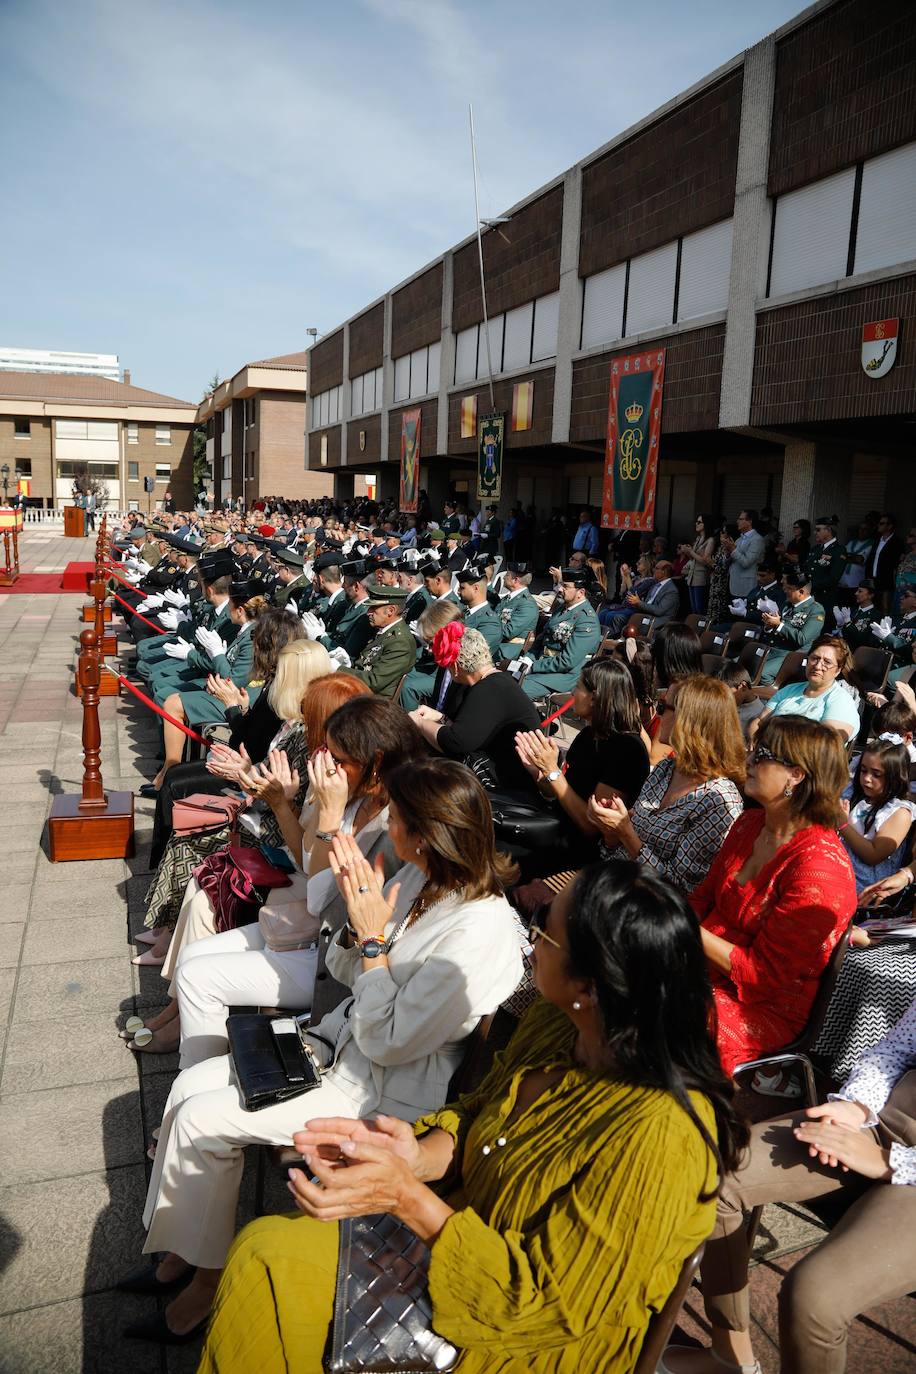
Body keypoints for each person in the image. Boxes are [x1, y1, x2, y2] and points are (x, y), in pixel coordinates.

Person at [197, 861, 750, 1374]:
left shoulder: (662, 1134)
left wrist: (408, 1200)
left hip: (521, 1341)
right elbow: (483, 1113)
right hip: (460, 1242)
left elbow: (544, 1307)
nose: (531, 936)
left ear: (591, 985)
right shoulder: (562, 1025)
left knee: (267, 1265)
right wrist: (415, 1154)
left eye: (543, 927)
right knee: (265, 1252)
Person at [120, 758, 525, 1343]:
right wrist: (360, 928)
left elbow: (389, 1038)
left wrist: (374, 941)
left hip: (382, 1095)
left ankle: (204, 1287)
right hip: (338, 1052)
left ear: (428, 832)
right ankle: (183, 1255)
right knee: (187, 1088)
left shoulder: (478, 931)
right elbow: (342, 964)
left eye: (399, 819)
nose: (390, 826)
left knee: (203, 1121)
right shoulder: (419, 878)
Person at [660, 997, 916, 1374]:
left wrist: (890, 1164)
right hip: (881, 1121)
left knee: (814, 1298)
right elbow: (898, 1048)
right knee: (711, 1176)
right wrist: (856, 1106)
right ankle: (729, 1356)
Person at [689, 715, 856, 1075]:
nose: (748, 759)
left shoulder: (820, 871)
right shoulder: (750, 823)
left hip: (764, 1006)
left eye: (761, 753)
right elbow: (702, 900)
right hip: (704, 963)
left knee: (655, 1010)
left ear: (796, 775)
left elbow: (762, 976)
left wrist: (681, 929)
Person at [588, 675, 745, 894]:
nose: (657, 714)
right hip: (612, 884)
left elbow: (680, 889)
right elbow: (615, 851)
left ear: (689, 720)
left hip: (647, 909)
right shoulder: (666, 769)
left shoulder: (718, 800)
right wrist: (611, 832)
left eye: (663, 707)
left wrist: (626, 834)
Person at [411, 625, 540, 792]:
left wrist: (420, 723)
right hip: (494, 767)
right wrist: (439, 718)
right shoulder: (490, 683)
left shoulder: (490, 689)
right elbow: (470, 731)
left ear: (456, 668)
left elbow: (455, 743)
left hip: (504, 782)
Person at [749, 634, 860, 742]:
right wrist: (754, 742)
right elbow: (759, 721)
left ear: (838, 670)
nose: (817, 666)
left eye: (827, 662)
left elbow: (828, 745)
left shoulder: (841, 701)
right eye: (814, 658)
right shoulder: (789, 690)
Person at [840, 736, 915, 892]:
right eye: (864, 770)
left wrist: (842, 824)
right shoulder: (852, 793)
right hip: (837, 861)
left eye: (876, 774)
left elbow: (873, 855)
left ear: (895, 777)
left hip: (862, 881)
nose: (867, 779)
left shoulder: (899, 813)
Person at [516, 567, 602, 702]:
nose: (560, 589)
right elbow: (542, 639)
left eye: (566, 586)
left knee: (515, 692)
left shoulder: (587, 620)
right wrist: (528, 658)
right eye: (561, 585)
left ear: (581, 592)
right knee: (502, 681)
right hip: (544, 667)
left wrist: (534, 666)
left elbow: (567, 661)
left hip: (563, 676)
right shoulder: (562, 608)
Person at [757, 567, 826, 684]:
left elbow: (803, 639)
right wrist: (769, 625)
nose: (785, 591)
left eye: (789, 588)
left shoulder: (815, 610)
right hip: (774, 650)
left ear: (801, 592)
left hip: (794, 656)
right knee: (743, 664)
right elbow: (778, 628)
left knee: (764, 674)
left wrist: (779, 625)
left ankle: (772, 698)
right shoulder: (788, 605)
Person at [347, 584, 417, 697]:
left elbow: (374, 682)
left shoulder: (400, 643)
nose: (368, 612)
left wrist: (339, 669)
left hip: (372, 703)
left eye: (373, 608)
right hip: (359, 691)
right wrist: (347, 663)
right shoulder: (383, 630)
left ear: (391, 610)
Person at [678, 514, 717, 613]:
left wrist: (690, 551)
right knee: (693, 608)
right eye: (696, 521)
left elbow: (705, 560)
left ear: (706, 524)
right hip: (692, 576)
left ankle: (702, 628)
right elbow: (693, 558)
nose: (696, 524)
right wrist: (687, 551)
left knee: (700, 608)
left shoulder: (710, 540)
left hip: (701, 577)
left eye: (699, 522)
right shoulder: (698, 538)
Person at [805, 514, 846, 606]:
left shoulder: (838, 550)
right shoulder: (815, 549)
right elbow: (807, 569)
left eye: (818, 530)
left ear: (828, 530)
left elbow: (834, 577)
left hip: (825, 597)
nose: (815, 532)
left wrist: (811, 586)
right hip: (810, 595)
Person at [723, 510, 765, 600]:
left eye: (741, 519)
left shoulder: (757, 539)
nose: (737, 521)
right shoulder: (739, 539)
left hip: (746, 587)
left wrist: (733, 549)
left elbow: (746, 562)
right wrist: (727, 553)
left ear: (750, 521)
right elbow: (729, 561)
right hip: (733, 584)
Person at [625, 558, 680, 626]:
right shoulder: (655, 585)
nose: (653, 570)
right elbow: (647, 603)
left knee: (634, 622)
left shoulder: (671, 590)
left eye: (656, 568)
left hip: (658, 621)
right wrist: (636, 603)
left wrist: (639, 603)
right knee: (621, 617)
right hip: (646, 615)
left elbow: (659, 611)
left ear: (664, 572)